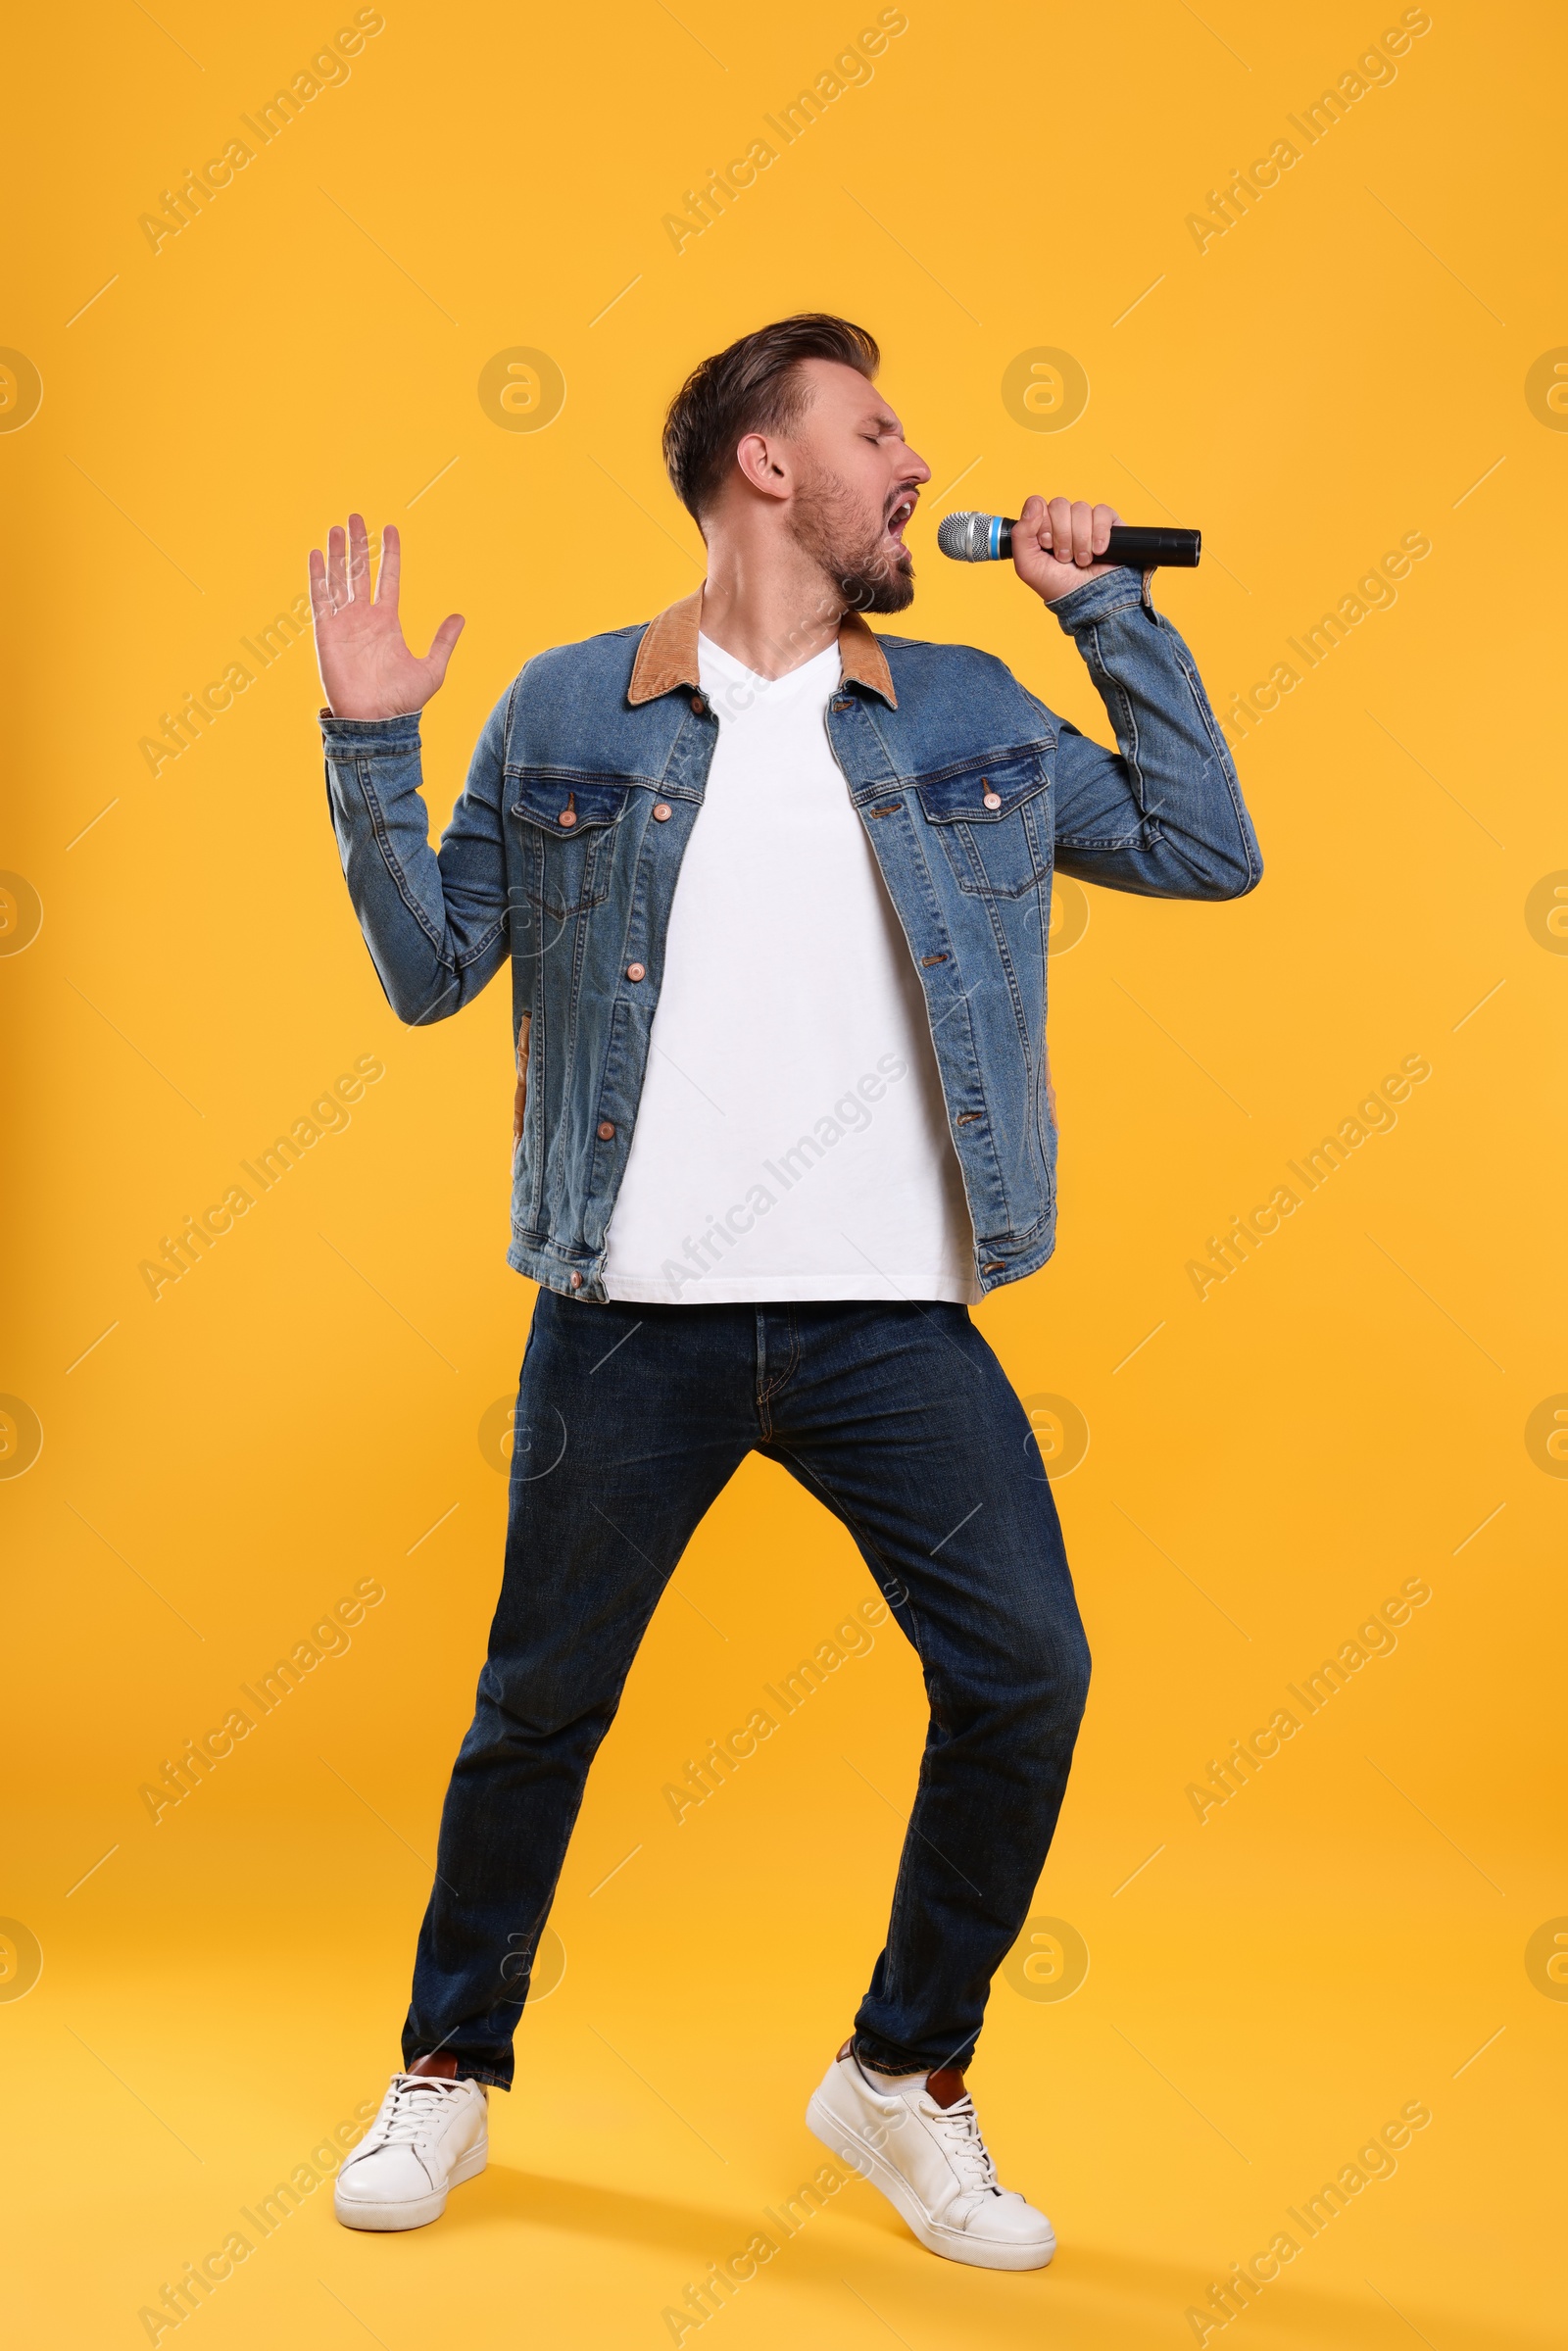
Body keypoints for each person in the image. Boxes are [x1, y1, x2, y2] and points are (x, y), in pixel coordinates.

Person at [310, 314, 1261, 2267]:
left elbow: (1202, 848)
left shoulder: (973, 709)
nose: (915, 463)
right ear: (766, 464)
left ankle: (900, 2077)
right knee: (534, 1711)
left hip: (887, 1326)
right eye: (876, 429)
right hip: (626, 1324)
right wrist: (365, 744)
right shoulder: (572, 710)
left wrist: (1108, 618)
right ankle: (444, 2073)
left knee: (1023, 1672)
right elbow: (427, 972)